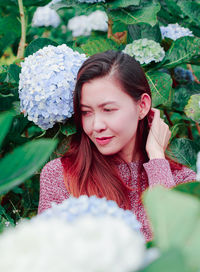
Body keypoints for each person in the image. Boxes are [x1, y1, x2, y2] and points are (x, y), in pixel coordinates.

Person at [38, 50, 196, 241]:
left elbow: (174, 247)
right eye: (86, 112)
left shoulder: (182, 180)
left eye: (108, 110)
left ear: (143, 106)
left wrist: (156, 158)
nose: (96, 126)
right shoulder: (61, 176)